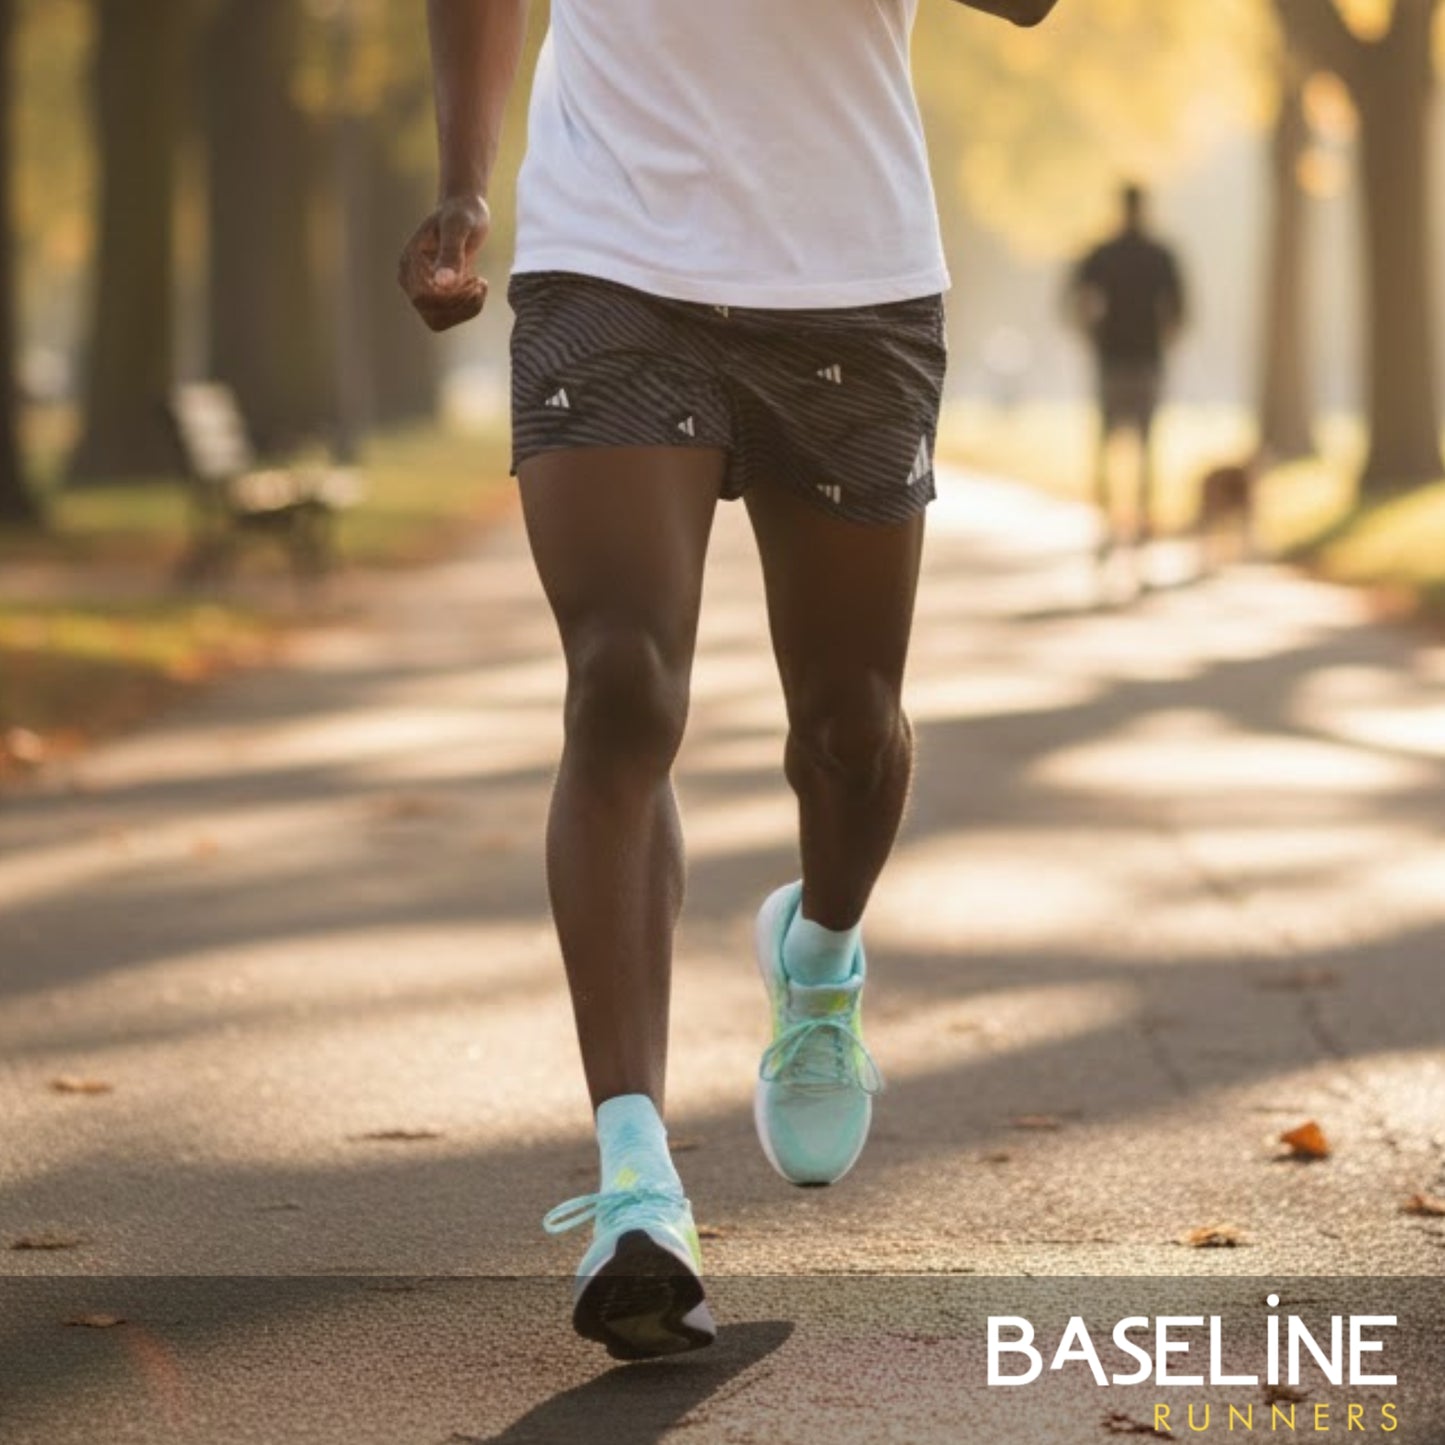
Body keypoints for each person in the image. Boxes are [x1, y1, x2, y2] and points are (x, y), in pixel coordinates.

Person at [400, 0, 1058, 1362]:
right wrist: (466, 173)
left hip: (851, 268)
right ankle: (635, 1186)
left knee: (850, 727)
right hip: (611, 255)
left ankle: (817, 960)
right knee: (623, 684)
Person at [1067, 184, 1188, 569]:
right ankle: (1140, 525)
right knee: (1145, 447)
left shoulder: (1103, 253)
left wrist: (1092, 336)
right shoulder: (1160, 254)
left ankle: (1107, 524)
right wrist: (1164, 340)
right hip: (1145, 361)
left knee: (1107, 445)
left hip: (1112, 359)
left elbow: (1075, 300)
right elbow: (1180, 309)